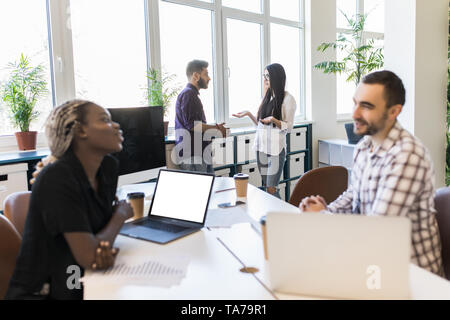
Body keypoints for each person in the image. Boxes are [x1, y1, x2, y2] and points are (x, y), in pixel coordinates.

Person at [300, 70, 444, 276]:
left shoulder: (408, 155)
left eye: (366, 106)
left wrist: (323, 218)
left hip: (411, 278)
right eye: (355, 103)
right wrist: (326, 212)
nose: (355, 114)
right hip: (374, 266)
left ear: (394, 111)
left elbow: (378, 231)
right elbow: (353, 197)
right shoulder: (364, 147)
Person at [5, 100, 134, 300]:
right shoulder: (56, 177)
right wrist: (121, 214)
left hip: (82, 280)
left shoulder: (107, 167)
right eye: (105, 120)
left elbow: (98, 242)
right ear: (81, 131)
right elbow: (90, 255)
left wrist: (99, 249)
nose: (116, 125)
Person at [233, 63, 296, 198]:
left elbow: (289, 127)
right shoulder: (267, 97)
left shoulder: (288, 99)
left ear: (277, 77)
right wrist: (249, 114)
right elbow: (260, 125)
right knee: (267, 187)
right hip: (260, 148)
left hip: (276, 150)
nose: (265, 79)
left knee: (272, 189)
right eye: (264, 75)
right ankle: (270, 216)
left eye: (268, 76)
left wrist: (274, 120)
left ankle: (280, 217)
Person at [174, 59, 227, 173]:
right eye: (206, 74)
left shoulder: (191, 95)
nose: (209, 78)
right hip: (193, 156)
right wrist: (217, 128)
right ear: (196, 76)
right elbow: (193, 125)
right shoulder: (188, 94)